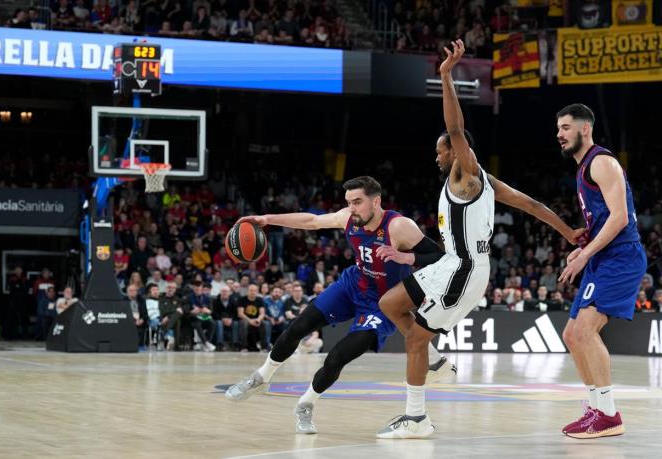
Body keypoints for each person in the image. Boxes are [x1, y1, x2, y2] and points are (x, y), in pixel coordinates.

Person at [375, 40, 584, 439]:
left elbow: (455, 129)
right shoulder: (489, 182)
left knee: (415, 339)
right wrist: (569, 233)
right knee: (390, 304)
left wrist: (446, 76)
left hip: (465, 269)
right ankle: (437, 362)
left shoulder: (466, 173)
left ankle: (416, 418)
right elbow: (533, 206)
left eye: (441, 151)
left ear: (456, 153)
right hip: (451, 264)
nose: (437, 156)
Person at [225, 175, 450, 435]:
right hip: (352, 286)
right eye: (348, 202)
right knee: (299, 326)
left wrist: (405, 257)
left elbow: (439, 257)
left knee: (337, 358)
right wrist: (267, 219)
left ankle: (306, 403)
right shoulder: (347, 218)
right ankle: (262, 377)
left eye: (357, 202)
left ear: (376, 201)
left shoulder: (399, 226)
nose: (351, 208)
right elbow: (311, 221)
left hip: (383, 304)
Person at [556, 103, 646, 439]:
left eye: (566, 127)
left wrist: (584, 255)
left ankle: (609, 415)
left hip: (620, 257)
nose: (559, 134)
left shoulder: (601, 162)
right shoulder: (583, 168)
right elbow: (606, 218)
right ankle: (596, 408)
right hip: (603, 257)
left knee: (585, 331)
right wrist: (585, 245)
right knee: (571, 335)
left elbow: (620, 218)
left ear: (585, 128)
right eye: (558, 128)